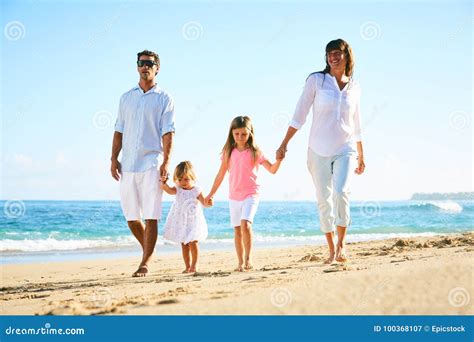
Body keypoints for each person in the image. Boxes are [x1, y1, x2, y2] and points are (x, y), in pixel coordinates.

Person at [277, 39, 365, 264]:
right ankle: (331, 247)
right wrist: (284, 143)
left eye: (337, 53)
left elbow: (357, 123)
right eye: (329, 53)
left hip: (345, 148)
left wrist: (361, 154)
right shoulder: (317, 80)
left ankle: (342, 245)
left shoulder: (355, 87)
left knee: (341, 192)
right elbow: (300, 114)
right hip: (317, 149)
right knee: (324, 200)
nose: (332, 57)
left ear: (347, 55)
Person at [111, 49, 175, 277]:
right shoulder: (126, 98)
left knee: (151, 215)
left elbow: (168, 132)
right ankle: (149, 249)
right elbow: (119, 130)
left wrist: (166, 162)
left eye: (149, 63)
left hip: (151, 163)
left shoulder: (164, 98)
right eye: (141, 63)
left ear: (157, 68)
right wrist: (113, 158)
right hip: (127, 164)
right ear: (137, 66)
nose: (145, 66)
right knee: (131, 217)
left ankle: (145, 261)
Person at [205, 116, 282, 271]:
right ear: (232, 133)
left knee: (245, 224)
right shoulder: (228, 152)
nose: (240, 137)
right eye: (237, 134)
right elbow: (220, 174)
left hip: (251, 194)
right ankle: (240, 262)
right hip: (234, 196)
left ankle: (248, 259)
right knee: (237, 230)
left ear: (250, 133)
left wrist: (279, 160)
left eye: (244, 134)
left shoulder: (255, 152)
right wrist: (211, 194)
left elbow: (272, 170)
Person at [162, 161, 211, 273]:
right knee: (184, 243)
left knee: (193, 242)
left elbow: (204, 203)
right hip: (181, 221)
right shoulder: (178, 189)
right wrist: (164, 183)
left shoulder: (196, 190)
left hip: (194, 221)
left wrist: (209, 202)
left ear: (192, 177)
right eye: (179, 179)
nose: (183, 182)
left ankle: (194, 266)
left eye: (186, 179)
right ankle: (187, 266)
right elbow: (168, 190)